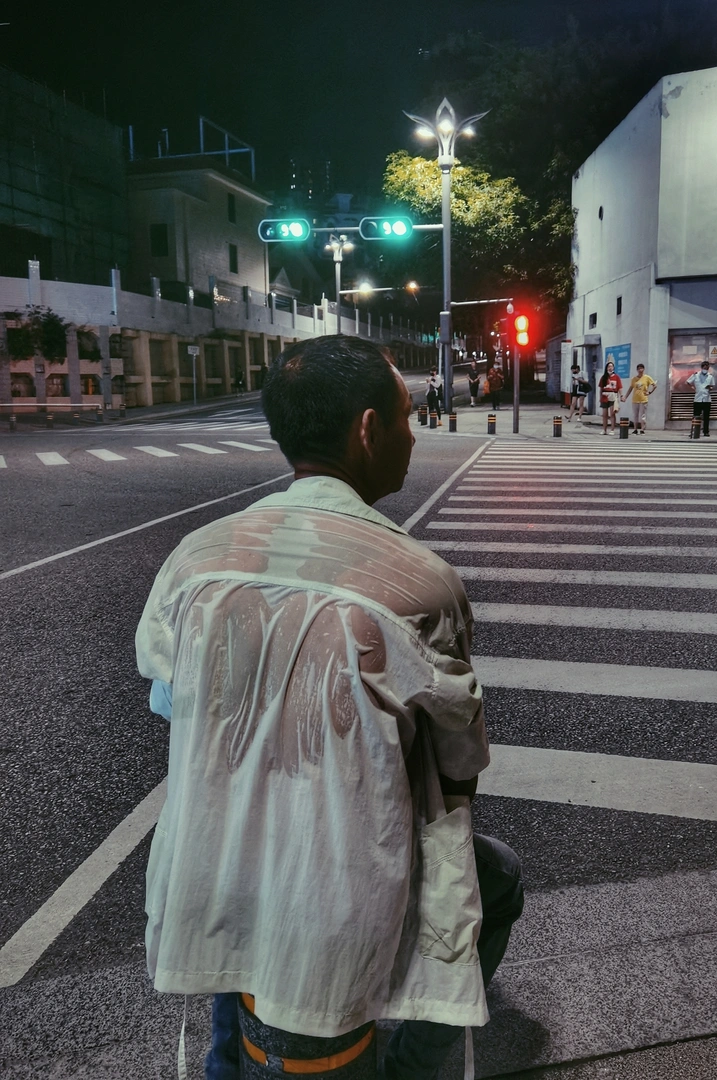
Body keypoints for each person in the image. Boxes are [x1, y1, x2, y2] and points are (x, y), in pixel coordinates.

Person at [136, 335, 523, 1080]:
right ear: (368, 429)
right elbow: (459, 767)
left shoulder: (194, 557)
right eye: (407, 416)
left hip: (210, 870)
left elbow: (170, 703)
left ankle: (233, 1053)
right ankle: (403, 1068)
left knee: (248, 926)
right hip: (335, 896)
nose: (415, 434)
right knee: (492, 878)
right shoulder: (421, 582)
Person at [621, 363, 656, 434]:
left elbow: (654, 385)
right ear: (637, 370)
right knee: (635, 415)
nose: (640, 370)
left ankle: (642, 429)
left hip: (643, 399)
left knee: (642, 415)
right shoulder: (634, 379)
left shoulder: (647, 378)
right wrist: (625, 397)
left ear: (643, 369)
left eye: (641, 368)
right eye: (639, 369)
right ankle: (635, 429)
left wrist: (649, 392)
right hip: (635, 399)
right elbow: (630, 388)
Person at [687, 360, 715, 437]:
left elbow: (712, 386)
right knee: (696, 416)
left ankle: (706, 431)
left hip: (706, 400)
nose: (705, 369)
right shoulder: (696, 375)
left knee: (706, 417)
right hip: (698, 399)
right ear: (702, 367)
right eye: (704, 368)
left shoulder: (710, 376)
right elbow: (688, 382)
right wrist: (693, 388)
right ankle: (694, 431)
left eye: (707, 368)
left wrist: (710, 388)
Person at [598, 359, 622, 434]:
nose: (610, 368)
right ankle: (604, 430)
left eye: (611, 366)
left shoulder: (616, 377)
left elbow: (619, 387)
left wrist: (621, 396)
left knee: (612, 413)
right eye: (609, 366)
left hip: (613, 395)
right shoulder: (603, 377)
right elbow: (601, 388)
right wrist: (600, 398)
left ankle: (612, 430)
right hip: (605, 395)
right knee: (604, 414)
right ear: (606, 368)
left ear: (613, 368)